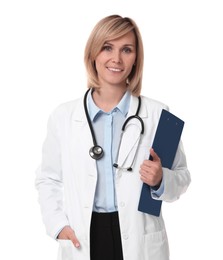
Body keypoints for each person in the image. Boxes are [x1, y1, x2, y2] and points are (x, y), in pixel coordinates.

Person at [35, 14, 191, 260]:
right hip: (83, 237)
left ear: (135, 59)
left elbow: (182, 177)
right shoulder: (63, 117)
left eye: (126, 50)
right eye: (107, 47)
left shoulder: (160, 115)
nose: (116, 59)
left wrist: (161, 179)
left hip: (139, 238)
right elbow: (48, 179)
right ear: (93, 53)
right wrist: (58, 226)